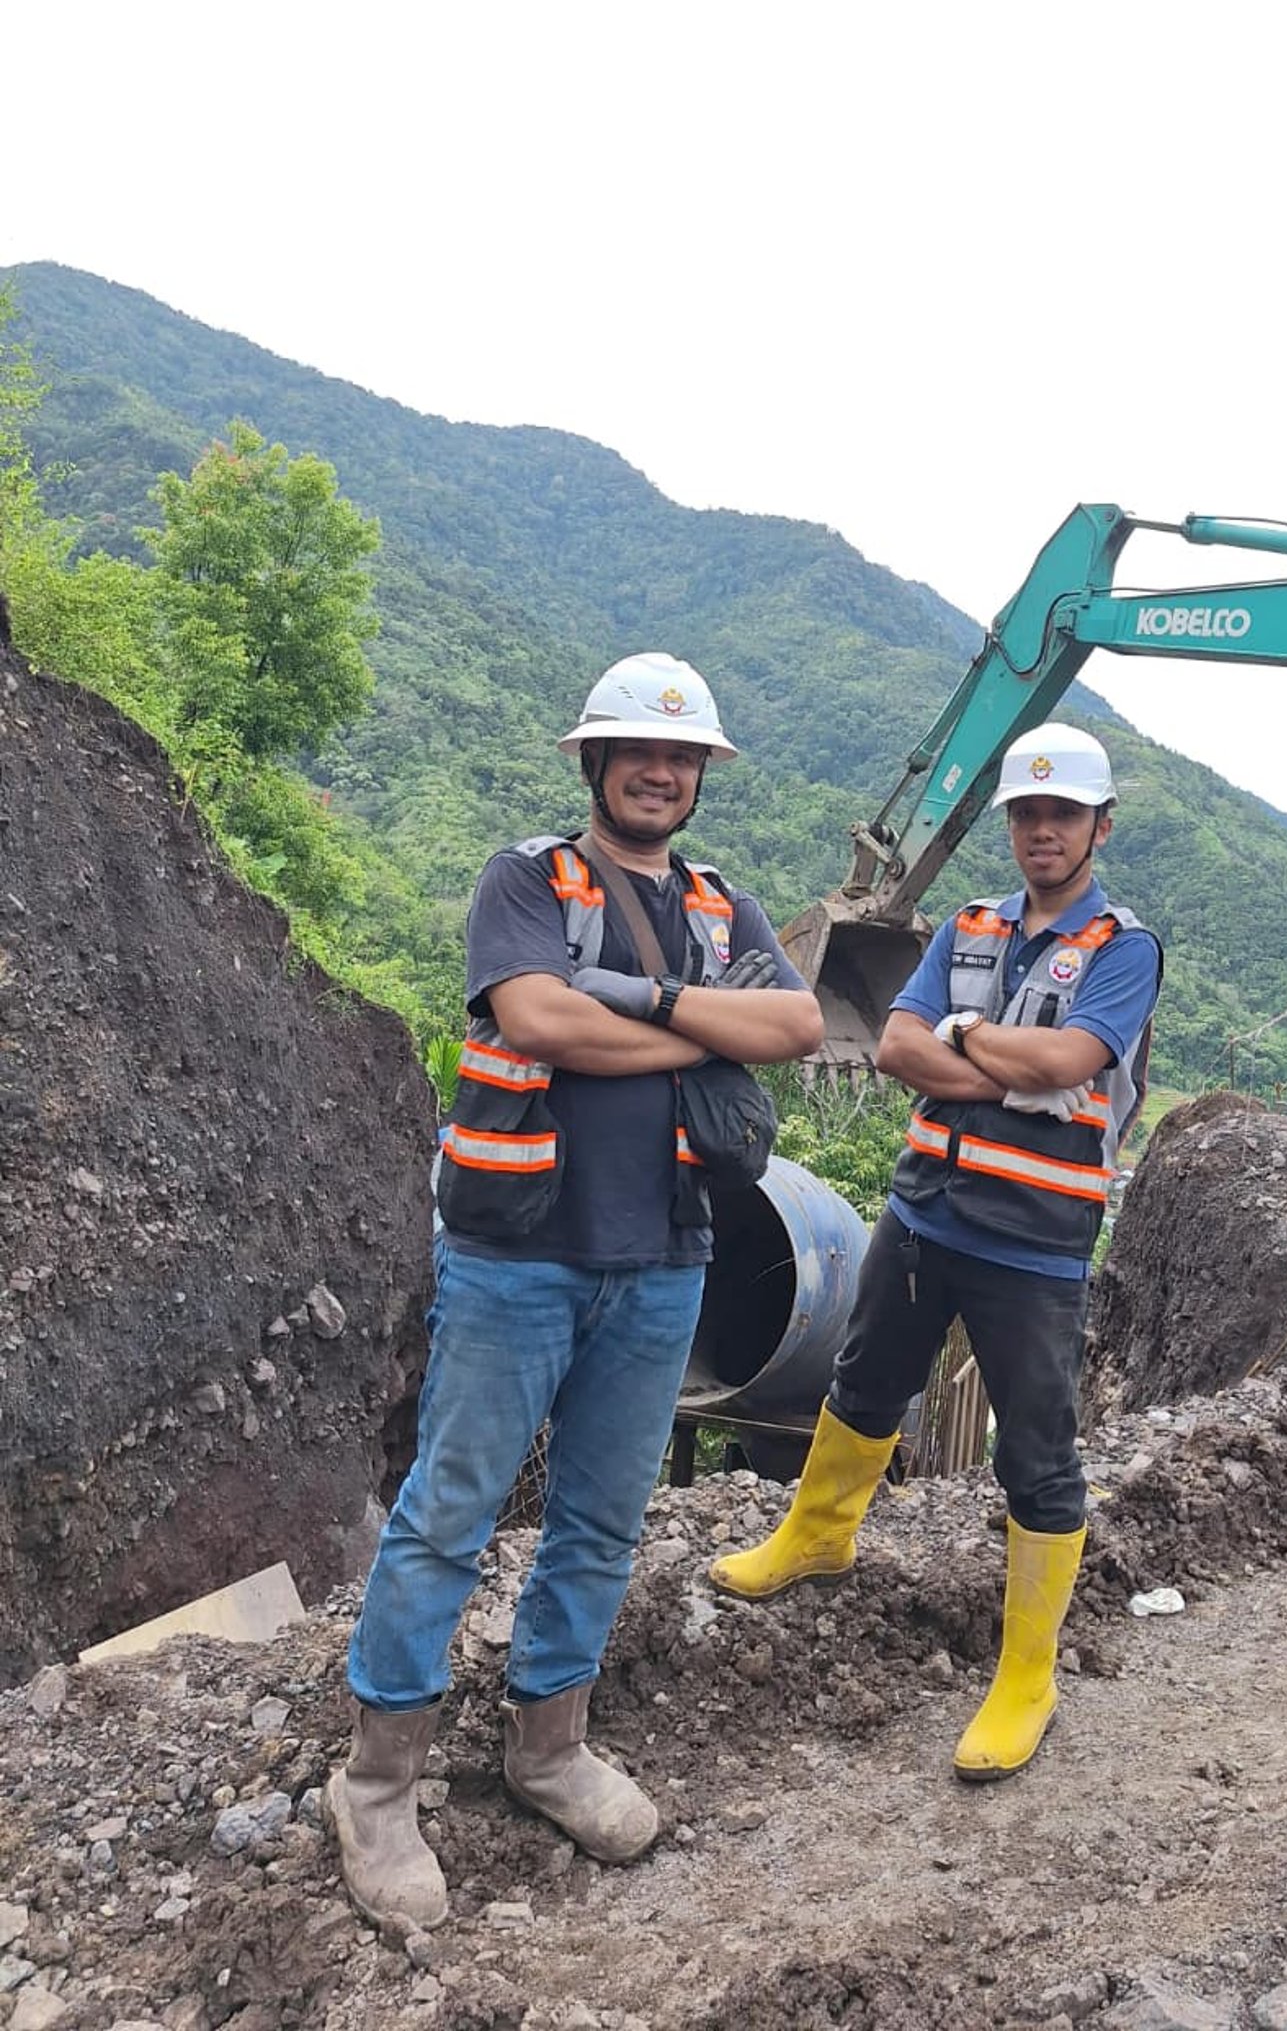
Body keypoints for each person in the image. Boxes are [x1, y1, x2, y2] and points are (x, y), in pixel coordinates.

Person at [330, 652, 823, 1929]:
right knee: (448, 1513)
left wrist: (648, 1001)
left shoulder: (725, 905)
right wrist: (696, 1018)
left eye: (682, 758)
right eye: (637, 753)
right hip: (518, 1257)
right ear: (595, 763)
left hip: (666, 1261)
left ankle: (547, 1748)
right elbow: (540, 1018)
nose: (660, 772)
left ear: (701, 775)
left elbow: (799, 1030)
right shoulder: (528, 879)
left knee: (603, 1523)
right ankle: (377, 1785)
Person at [709, 721, 1162, 1782]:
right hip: (924, 1212)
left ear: (1100, 825)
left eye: (1062, 814)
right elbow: (901, 1046)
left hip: (1034, 1237)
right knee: (865, 1381)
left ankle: (1026, 1676)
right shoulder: (964, 924)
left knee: (1036, 1452)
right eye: (1027, 813)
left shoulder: (1123, 948)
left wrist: (963, 1043)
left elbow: (1074, 1056)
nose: (1041, 830)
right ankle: (818, 1533)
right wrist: (1000, 1064)